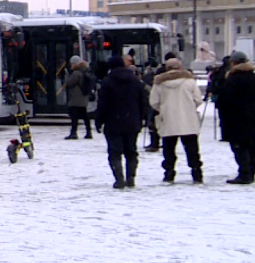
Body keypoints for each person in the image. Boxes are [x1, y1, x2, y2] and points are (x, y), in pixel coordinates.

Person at [148, 58, 204, 183]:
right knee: (192, 149)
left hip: (168, 120)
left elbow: (154, 102)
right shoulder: (190, 81)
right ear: (180, 67)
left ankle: (169, 172)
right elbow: (198, 100)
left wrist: (163, 109)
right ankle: (196, 172)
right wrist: (189, 107)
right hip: (188, 120)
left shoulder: (159, 83)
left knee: (168, 149)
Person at [95, 55, 146, 189]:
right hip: (132, 122)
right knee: (131, 151)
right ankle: (131, 178)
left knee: (115, 152)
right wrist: (142, 118)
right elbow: (143, 102)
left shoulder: (107, 82)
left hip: (113, 122)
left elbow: (103, 104)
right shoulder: (135, 81)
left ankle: (119, 179)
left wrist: (99, 121)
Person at [216, 51, 255, 185]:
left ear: (234, 63)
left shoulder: (233, 79)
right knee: (252, 146)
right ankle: (251, 171)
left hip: (237, 117)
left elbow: (225, 99)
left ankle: (244, 174)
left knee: (240, 146)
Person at [64, 55, 93, 140]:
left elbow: (69, 83)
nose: (71, 65)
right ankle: (89, 132)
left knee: (74, 117)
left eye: (71, 64)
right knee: (84, 116)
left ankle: (73, 133)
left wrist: (66, 75)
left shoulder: (76, 73)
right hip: (83, 98)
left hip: (76, 99)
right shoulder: (85, 71)